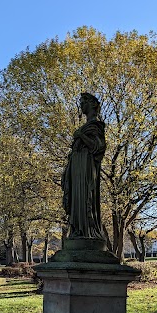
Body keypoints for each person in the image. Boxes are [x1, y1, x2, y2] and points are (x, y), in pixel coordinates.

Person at [62, 93, 106, 239]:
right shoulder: (86, 126)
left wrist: (81, 135)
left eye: (83, 102)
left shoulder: (96, 125)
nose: (81, 105)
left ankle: (87, 230)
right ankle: (76, 230)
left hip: (86, 168)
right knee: (76, 200)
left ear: (92, 104)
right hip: (77, 167)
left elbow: (97, 147)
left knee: (85, 197)